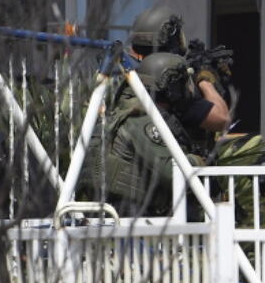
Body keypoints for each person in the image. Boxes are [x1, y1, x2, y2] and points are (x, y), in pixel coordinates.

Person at [87, 52, 205, 217]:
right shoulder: (142, 120)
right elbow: (172, 173)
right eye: (183, 82)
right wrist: (198, 161)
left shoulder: (133, 112)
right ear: (171, 86)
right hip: (132, 219)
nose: (187, 88)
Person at [129, 5, 230, 154]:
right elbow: (221, 119)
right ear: (171, 36)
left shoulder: (131, 75)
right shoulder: (170, 81)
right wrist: (204, 78)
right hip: (176, 170)